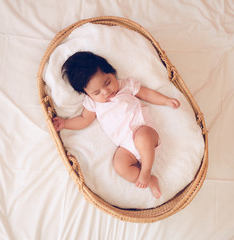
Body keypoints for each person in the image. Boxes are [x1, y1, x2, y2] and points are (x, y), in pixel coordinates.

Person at [53, 51, 180, 198]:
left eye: (107, 82)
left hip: (143, 129)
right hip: (126, 146)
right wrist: (65, 123)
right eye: (96, 92)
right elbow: (84, 120)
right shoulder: (92, 103)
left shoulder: (126, 86)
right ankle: (151, 180)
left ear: (112, 72)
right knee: (120, 165)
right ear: (87, 94)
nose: (106, 91)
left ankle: (146, 171)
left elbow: (146, 94)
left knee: (142, 138)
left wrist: (165, 100)